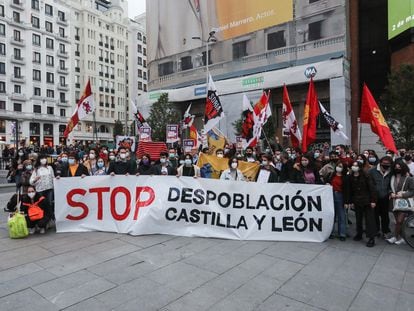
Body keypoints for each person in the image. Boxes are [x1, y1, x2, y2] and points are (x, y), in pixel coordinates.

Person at [344, 161, 377, 247]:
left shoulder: (366, 176)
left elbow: (372, 189)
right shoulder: (350, 177)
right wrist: (349, 201)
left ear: (360, 167)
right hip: (357, 201)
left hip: (367, 201)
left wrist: (373, 200)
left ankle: (371, 238)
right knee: (358, 219)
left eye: (356, 165)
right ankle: (359, 233)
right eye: (353, 165)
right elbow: (349, 190)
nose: (354, 167)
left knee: (369, 220)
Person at [386, 160, 414, 245]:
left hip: (403, 202)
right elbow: (389, 188)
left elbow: (412, 191)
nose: (397, 168)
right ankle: (402, 237)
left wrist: (402, 195)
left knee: (399, 221)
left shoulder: (408, 178)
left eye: (399, 167)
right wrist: (391, 193)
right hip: (394, 202)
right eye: (396, 167)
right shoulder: (392, 177)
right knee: (398, 221)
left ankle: (395, 236)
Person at [368, 156, 393, 238]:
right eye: (384, 164)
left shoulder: (391, 172)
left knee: (385, 216)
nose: (386, 165)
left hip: (385, 197)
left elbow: (391, 184)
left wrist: (390, 192)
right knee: (375, 215)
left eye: (388, 164)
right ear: (380, 163)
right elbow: (369, 184)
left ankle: (385, 231)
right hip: (375, 197)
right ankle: (376, 230)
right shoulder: (372, 171)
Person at [328, 162, 347, 241]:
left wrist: (347, 201)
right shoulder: (332, 174)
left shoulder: (345, 177)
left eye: (341, 166)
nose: (339, 167)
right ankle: (331, 232)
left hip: (341, 196)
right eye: (338, 166)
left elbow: (347, 190)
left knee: (341, 216)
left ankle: (342, 233)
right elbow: (328, 181)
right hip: (331, 195)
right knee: (332, 215)